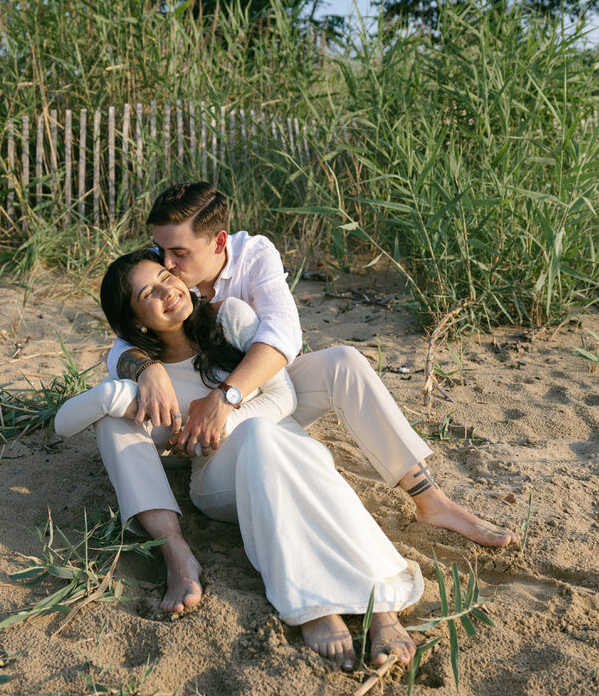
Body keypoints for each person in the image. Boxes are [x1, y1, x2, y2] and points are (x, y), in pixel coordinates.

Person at [96, 182, 516, 621]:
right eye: (161, 252)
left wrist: (226, 400)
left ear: (218, 242)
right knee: (114, 420)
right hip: (182, 432)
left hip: (255, 399)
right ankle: (176, 554)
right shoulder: (165, 270)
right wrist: (146, 368)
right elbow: (123, 335)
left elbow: (283, 337)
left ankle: (431, 501)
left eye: (178, 255)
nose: (166, 263)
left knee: (344, 362)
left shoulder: (255, 255)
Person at [54, 249, 424, 668]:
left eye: (165, 276)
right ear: (137, 320)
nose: (167, 290)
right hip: (218, 480)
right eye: (148, 293)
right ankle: (305, 600)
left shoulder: (230, 317)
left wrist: (216, 425)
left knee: (269, 436)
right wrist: (115, 393)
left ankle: (380, 606)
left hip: (288, 452)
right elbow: (62, 424)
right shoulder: (140, 371)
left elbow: (283, 395)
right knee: (114, 420)